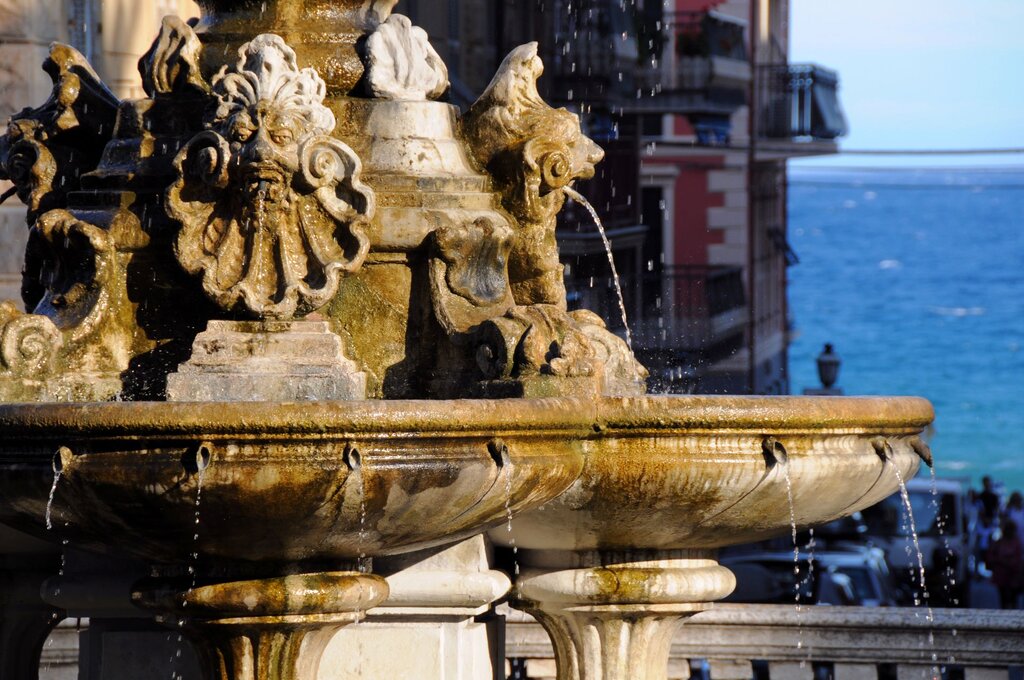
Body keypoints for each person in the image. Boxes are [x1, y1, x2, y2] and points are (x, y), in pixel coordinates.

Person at [986, 519, 1023, 609]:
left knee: (1013, 598)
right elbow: (991, 557)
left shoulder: (1016, 543)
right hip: (1001, 576)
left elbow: (1018, 559)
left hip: (1013, 576)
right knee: (1003, 598)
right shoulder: (998, 543)